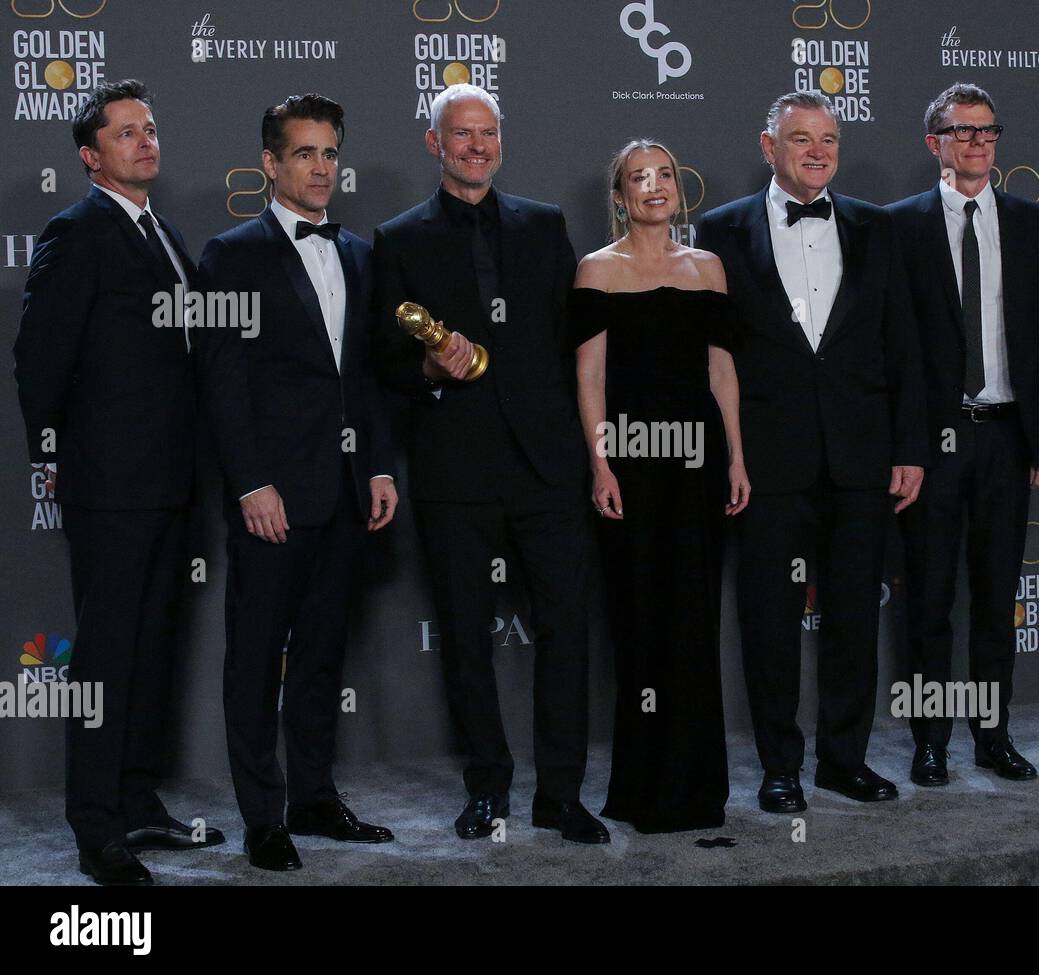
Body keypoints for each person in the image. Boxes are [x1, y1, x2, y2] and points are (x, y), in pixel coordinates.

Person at [370, 84, 607, 843]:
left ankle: (561, 795)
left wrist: (595, 452)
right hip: (455, 467)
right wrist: (434, 369)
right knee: (466, 639)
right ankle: (487, 788)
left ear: (501, 141)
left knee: (566, 633)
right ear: (434, 143)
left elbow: (579, 346)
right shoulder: (398, 238)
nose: (477, 146)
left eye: (488, 134)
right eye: (461, 135)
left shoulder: (545, 225)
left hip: (546, 465)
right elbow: (382, 363)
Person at [13, 79, 225, 885]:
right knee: (104, 659)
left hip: (174, 483)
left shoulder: (163, 233)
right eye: (126, 133)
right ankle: (95, 826)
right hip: (111, 486)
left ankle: (138, 802)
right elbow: (39, 360)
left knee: (152, 649)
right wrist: (65, 458)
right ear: (90, 154)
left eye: (150, 128)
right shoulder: (77, 231)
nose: (145, 141)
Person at [697, 91, 927, 813]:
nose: (818, 151)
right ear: (770, 147)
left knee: (855, 614)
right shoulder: (721, 229)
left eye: (828, 138)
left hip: (860, 455)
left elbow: (904, 345)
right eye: (801, 139)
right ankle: (779, 765)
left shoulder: (876, 226)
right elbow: (714, 353)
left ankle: (843, 758)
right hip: (766, 459)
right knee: (768, 617)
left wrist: (911, 447)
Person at [194, 94, 399, 871]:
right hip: (273, 496)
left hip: (345, 491)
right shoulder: (230, 256)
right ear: (270, 165)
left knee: (321, 654)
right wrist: (251, 482)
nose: (322, 167)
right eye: (305, 153)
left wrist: (377, 463)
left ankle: (314, 797)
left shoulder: (358, 254)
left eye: (330, 153)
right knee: (255, 656)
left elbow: (369, 376)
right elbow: (222, 381)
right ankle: (263, 818)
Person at [885, 83, 1039, 786]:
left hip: (1003, 435)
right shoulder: (897, 226)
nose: (978, 144)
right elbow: (892, 347)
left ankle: (993, 737)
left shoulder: (1032, 222)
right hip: (930, 444)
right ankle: (929, 742)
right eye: (963, 132)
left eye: (988, 132)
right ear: (935, 142)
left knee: (996, 599)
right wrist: (903, 444)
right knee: (928, 600)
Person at [572, 139, 750, 832]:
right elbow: (589, 376)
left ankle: (697, 788)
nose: (654, 186)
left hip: (700, 462)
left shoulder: (708, 267)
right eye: (637, 178)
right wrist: (600, 462)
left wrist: (736, 456)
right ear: (619, 197)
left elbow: (722, 372)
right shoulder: (596, 270)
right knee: (641, 617)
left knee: (694, 618)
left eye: (665, 174)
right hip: (633, 463)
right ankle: (644, 789)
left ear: (680, 186)